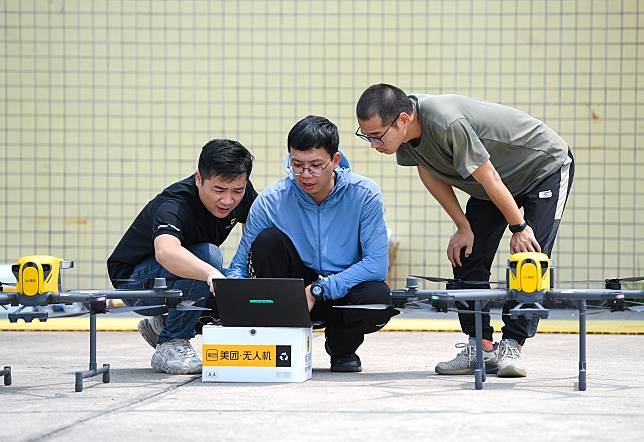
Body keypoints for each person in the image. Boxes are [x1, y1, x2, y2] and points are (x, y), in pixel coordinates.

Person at [355, 84, 574, 378]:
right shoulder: (407, 134)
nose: (373, 145)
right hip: (491, 185)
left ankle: (512, 345)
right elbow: (427, 170)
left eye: (377, 136)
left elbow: (490, 175)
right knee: (466, 254)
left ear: (403, 120)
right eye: (366, 137)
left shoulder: (446, 122)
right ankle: (481, 347)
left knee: (530, 259)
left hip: (541, 167)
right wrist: (463, 226)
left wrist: (519, 227)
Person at [226, 115, 398, 372]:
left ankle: (342, 348)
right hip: (292, 294)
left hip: (342, 291)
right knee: (267, 242)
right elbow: (240, 265)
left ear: (335, 161)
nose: (305, 174)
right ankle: (284, 344)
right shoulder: (271, 200)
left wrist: (320, 289)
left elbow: (375, 264)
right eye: (297, 165)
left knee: (377, 296)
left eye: (316, 165)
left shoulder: (364, 194)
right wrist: (232, 294)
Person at [107, 139, 257, 375]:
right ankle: (170, 344)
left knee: (236, 288)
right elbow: (166, 252)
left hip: (177, 280)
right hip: (136, 284)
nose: (228, 200)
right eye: (218, 190)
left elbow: (255, 238)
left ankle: (163, 325)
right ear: (199, 179)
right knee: (208, 256)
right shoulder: (175, 203)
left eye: (237, 191)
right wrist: (210, 272)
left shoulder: (243, 194)